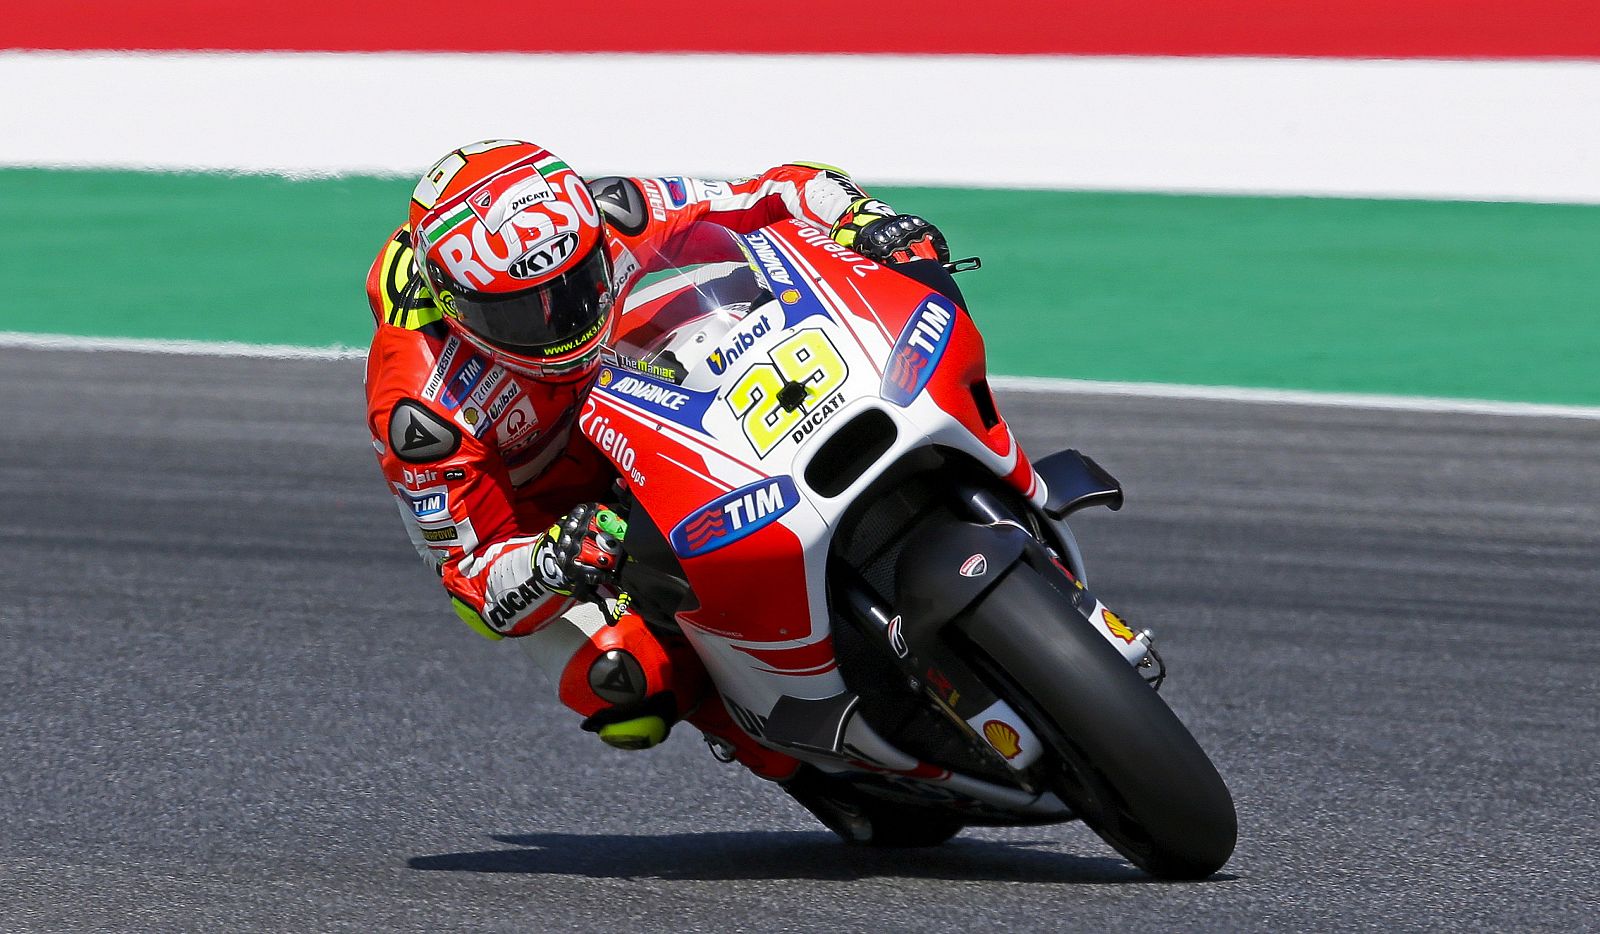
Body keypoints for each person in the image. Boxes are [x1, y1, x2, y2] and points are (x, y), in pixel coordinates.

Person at [363, 139, 950, 788]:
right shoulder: (423, 409)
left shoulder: (613, 212)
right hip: (557, 521)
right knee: (624, 685)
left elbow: (773, 191)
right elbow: (473, 584)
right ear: (455, 308)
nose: (560, 321)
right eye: (519, 312)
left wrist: (862, 219)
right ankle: (799, 757)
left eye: (577, 284)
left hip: (644, 403)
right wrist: (550, 560)